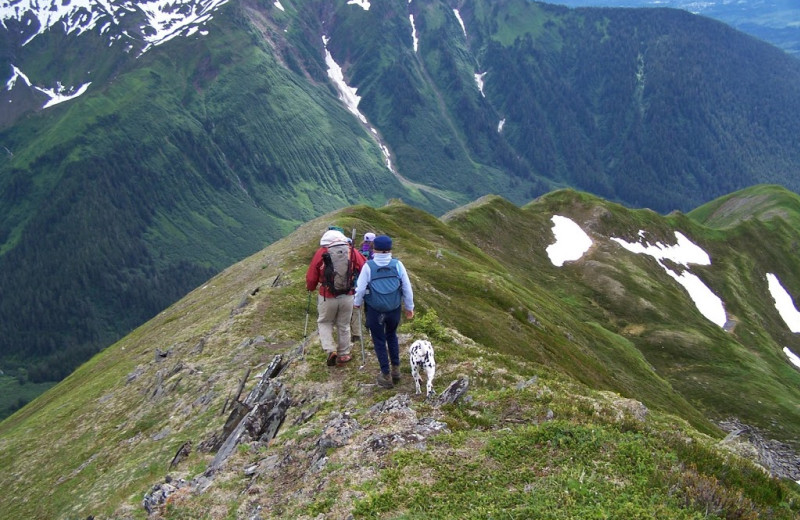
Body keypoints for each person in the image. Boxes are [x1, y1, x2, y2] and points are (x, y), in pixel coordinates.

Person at [353, 235, 414, 389]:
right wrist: (409, 307)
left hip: (375, 310)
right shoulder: (398, 265)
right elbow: (407, 287)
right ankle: (396, 370)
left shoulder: (368, 266)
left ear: (374, 249)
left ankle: (385, 375)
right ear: (390, 249)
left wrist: (357, 303)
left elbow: (360, 289)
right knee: (392, 335)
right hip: (394, 309)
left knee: (379, 339)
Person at [306, 228, 366, 366]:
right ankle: (344, 354)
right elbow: (364, 267)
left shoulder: (322, 252)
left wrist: (310, 287)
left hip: (327, 296)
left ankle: (330, 349)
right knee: (344, 325)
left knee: (325, 322)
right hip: (348, 295)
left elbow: (311, 276)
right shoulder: (351, 251)